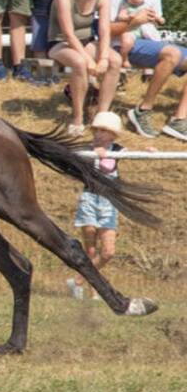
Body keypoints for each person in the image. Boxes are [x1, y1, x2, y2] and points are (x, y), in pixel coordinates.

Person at [111, 0, 187, 140]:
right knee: (172, 54)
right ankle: (143, 110)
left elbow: (157, 20)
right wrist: (133, 22)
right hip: (121, 42)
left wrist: (154, 19)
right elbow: (106, 29)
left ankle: (179, 119)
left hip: (148, 40)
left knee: (173, 53)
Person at [47, 0, 120, 135]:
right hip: (60, 42)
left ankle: (102, 115)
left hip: (86, 41)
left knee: (115, 60)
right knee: (79, 62)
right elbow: (68, 33)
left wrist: (102, 58)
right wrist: (90, 61)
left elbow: (104, 31)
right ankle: (77, 117)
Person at [68, 111, 124, 300]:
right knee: (90, 250)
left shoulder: (118, 150)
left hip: (109, 202)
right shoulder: (86, 149)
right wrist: (95, 155)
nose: (98, 134)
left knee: (108, 252)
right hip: (90, 200)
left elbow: (114, 164)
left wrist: (150, 151)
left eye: (104, 131)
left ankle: (77, 280)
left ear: (113, 134)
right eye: (96, 130)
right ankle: (94, 292)